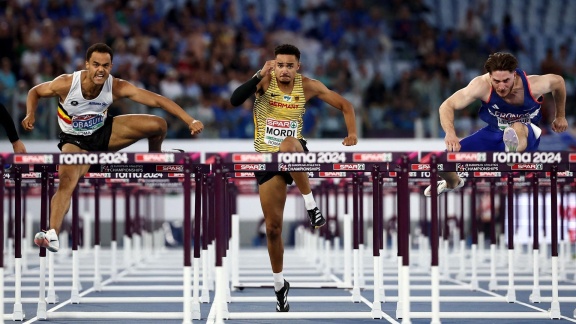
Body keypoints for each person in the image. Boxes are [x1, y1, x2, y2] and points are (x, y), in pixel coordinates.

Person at [23, 43, 204, 252]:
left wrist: (190, 120)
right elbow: (35, 91)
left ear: (111, 66)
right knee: (66, 182)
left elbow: (158, 100)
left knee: (158, 124)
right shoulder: (66, 83)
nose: (101, 70)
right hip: (75, 142)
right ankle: (52, 234)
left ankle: (155, 158)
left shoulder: (116, 86)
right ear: (87, 65)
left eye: (106, 66)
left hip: (105, 134)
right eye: (96, 65)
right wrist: (30, 113)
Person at [230, 44, 358, 312]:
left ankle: (311, 206)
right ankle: (279, 285)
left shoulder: (308, 85)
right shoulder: (263, 81)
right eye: (280, 65)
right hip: (267, 160)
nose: (284, 70)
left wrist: (352, 133)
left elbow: (345, 105)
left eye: (290, 65)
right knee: (273, 228)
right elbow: (234, 100)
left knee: (289, 142)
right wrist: (257, 75)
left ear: (297, 67)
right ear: (273, 65)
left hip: (295, 152)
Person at [424, 52, 567, 196]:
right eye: (496, 81)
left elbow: (559, 82)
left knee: (516, 127)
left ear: (514, 75)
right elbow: (447, 105)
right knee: (440, 163)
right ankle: (453, 182)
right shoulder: (481, 84)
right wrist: (450, 133)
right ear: (490, 76)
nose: (502, 86)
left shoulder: (533, 85)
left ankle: (511, 156)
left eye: (506, 80)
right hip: (493, 133)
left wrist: (560, 116)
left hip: (526, 133)